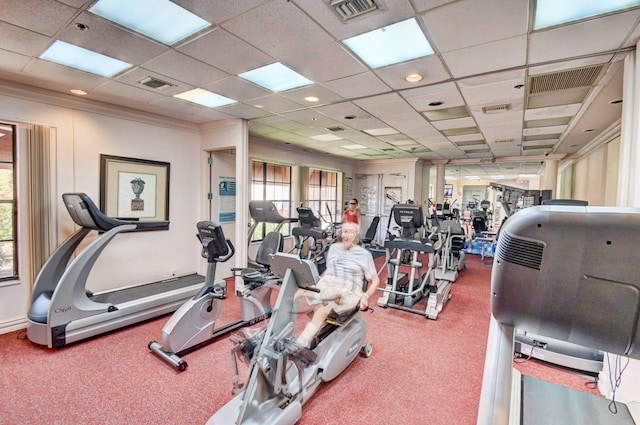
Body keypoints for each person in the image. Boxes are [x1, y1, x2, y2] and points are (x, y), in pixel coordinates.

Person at [295, 221, 379, 348]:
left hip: (348, 289)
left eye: (351, 232)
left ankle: (303, 341)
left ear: (357, 235)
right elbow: (328, 272)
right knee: (298, 294)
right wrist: (313, 286)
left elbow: (375, 280)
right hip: (329, 283)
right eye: (344, 231)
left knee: (327, 302)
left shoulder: (364, 255)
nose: (346, 235)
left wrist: (366, 296)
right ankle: (315, 327)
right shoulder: (334, 249)